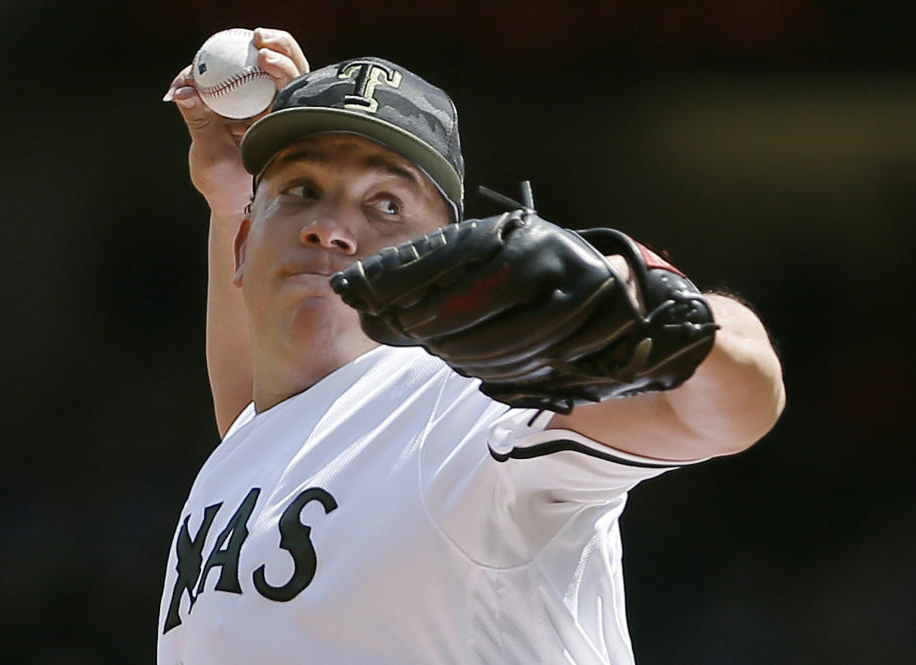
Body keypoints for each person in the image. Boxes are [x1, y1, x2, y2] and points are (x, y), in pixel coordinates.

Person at [159, 28, 785, 665]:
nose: (329, 229)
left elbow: (731, 410)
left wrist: (646, 310)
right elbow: (260, 414)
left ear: (443, 253)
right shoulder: (254, 443)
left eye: (386, 203)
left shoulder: (463, 411)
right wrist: (230, 198)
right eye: (301, 192)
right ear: (243, 245)